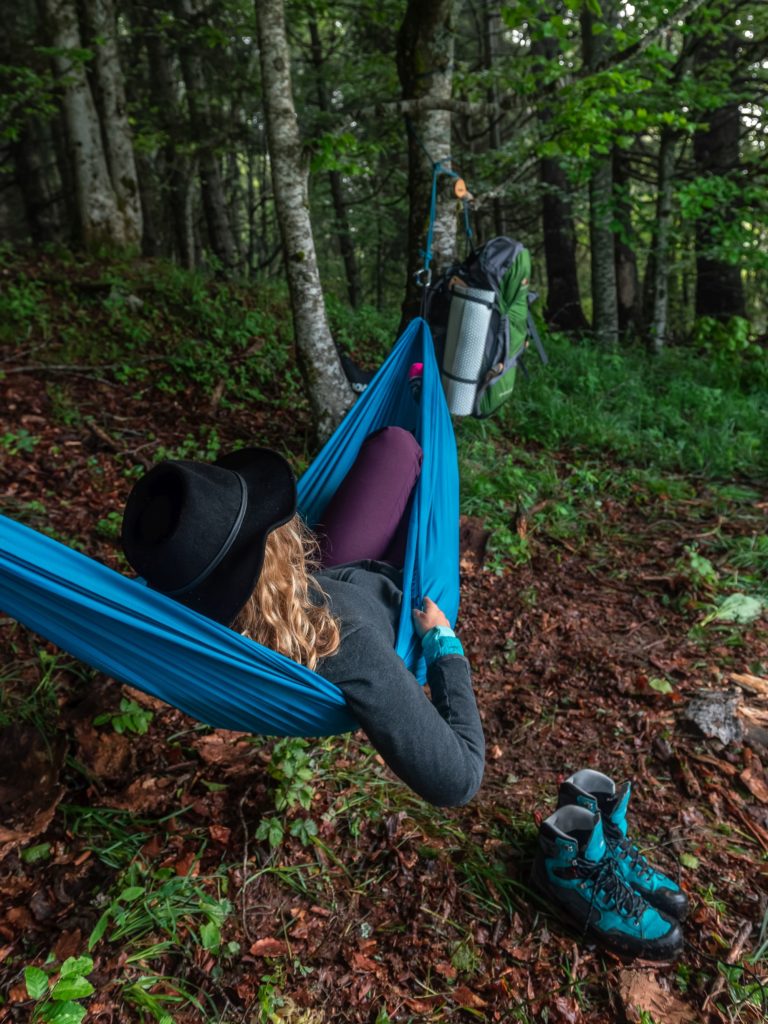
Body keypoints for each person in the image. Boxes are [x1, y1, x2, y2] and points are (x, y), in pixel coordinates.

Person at [121, 427, 485, 807]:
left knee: (396, 444)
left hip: (306, 588)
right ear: (278, 543)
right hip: (396, 597)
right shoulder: (350, 644)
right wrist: (442, 644)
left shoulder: (189, 605)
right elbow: (460, 779)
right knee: (416, 466)